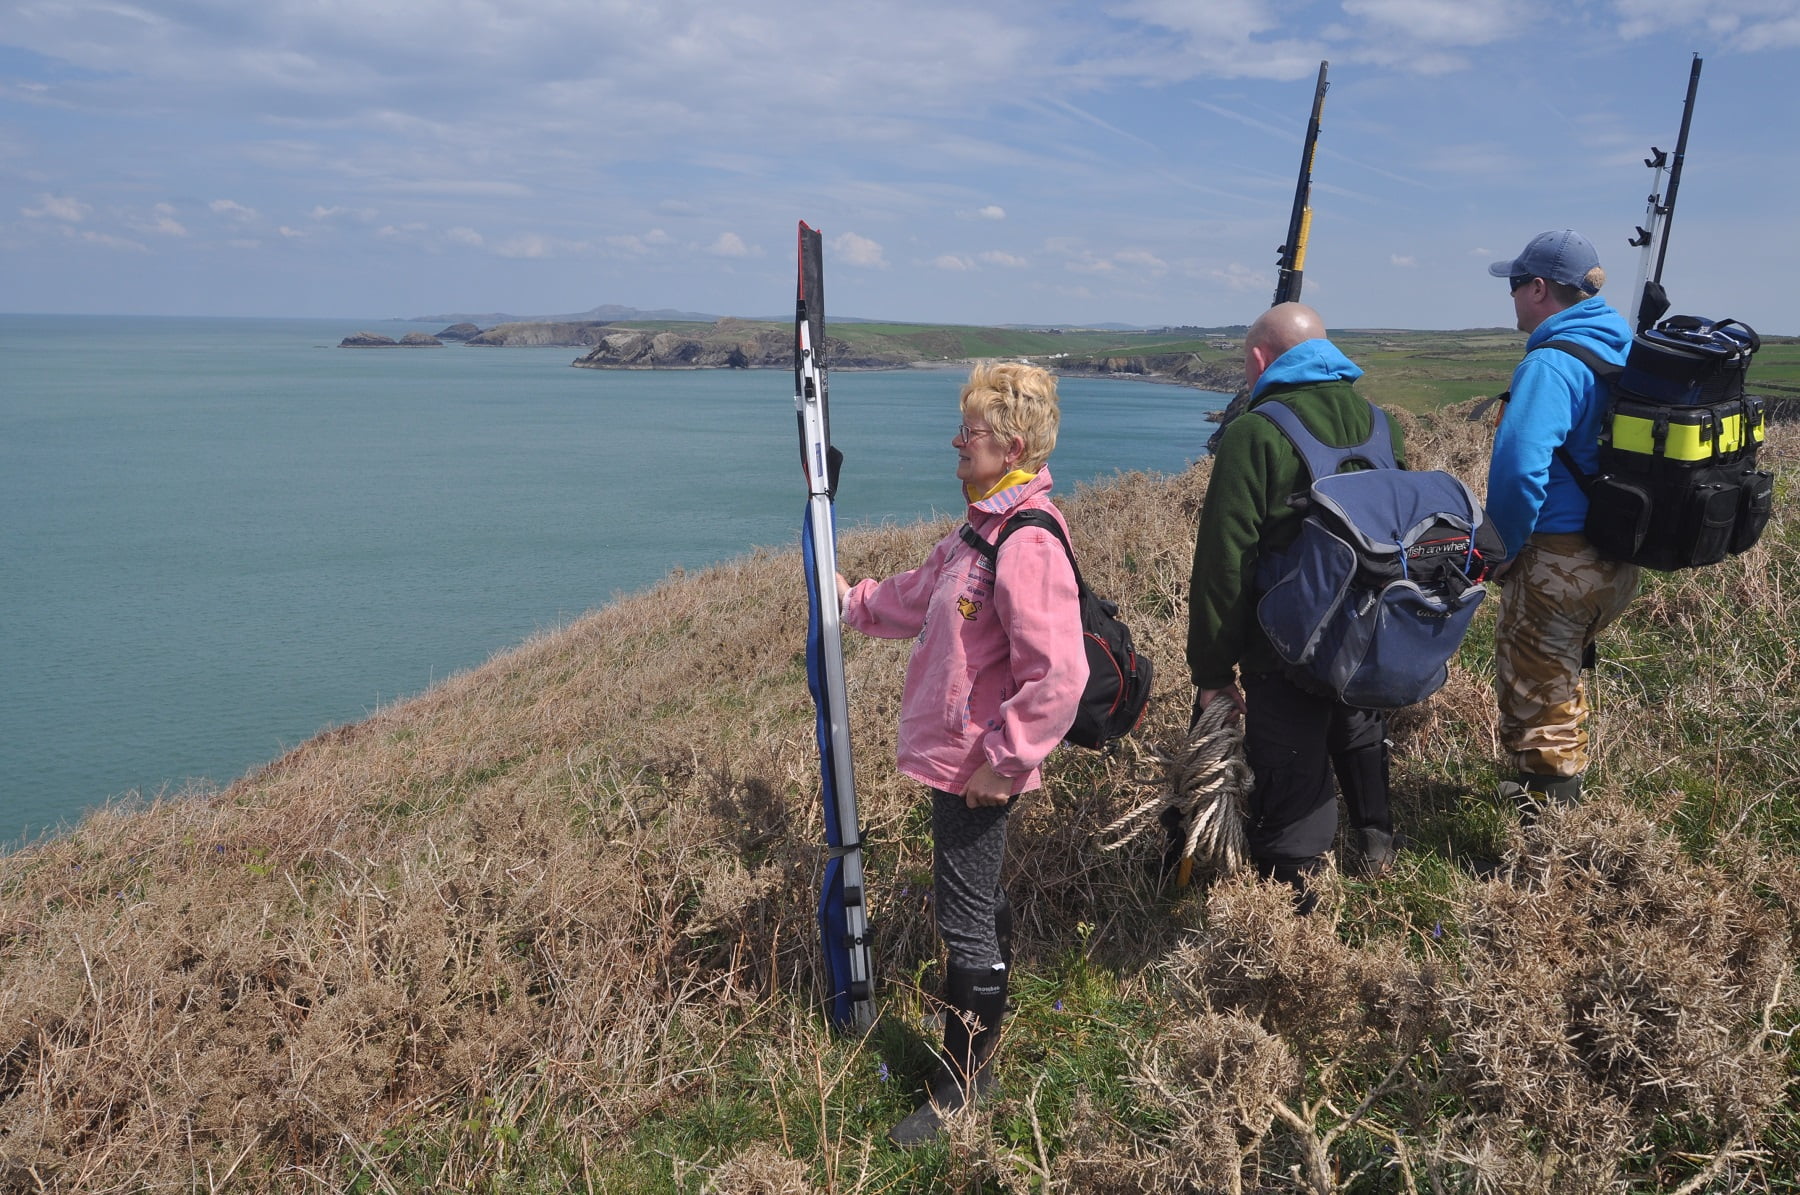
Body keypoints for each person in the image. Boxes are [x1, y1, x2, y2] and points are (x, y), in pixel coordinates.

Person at [835, 361, 1087, 1147]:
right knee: (974, 906)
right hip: (961, 760)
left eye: (970, 432)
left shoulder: (1026, 540)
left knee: (966, 923)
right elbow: (915, 594)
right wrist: (847, 599)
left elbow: (1061, 672)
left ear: (1011, 444)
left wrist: (1003, 760)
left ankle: (960, 1094)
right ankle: (982, 1064)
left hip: (979, 770)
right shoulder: (978, 527)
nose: (956, 441)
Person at [1184, 302, 1398, 906]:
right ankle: (1375, 839)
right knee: (1357, 725)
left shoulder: (1256, 432)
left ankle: (1294, 896)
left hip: (1284, 646)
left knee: (1290, 758)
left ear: (1259, 360)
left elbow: (1224, 565)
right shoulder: (1381, 424)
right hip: (1367, 635)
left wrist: (1212, 673)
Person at [1483, 229, 1639, 812]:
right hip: (1618, 554)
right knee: (1560, 678)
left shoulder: (1550, 364)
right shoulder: (1626, 350)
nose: (1513, 296)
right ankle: (1538, 792)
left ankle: (1549, 845)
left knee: (1537, 700)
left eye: (1516, 284)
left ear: (1540, 289)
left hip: (1558, 561)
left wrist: (1500, 549)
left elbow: (1522, 470)